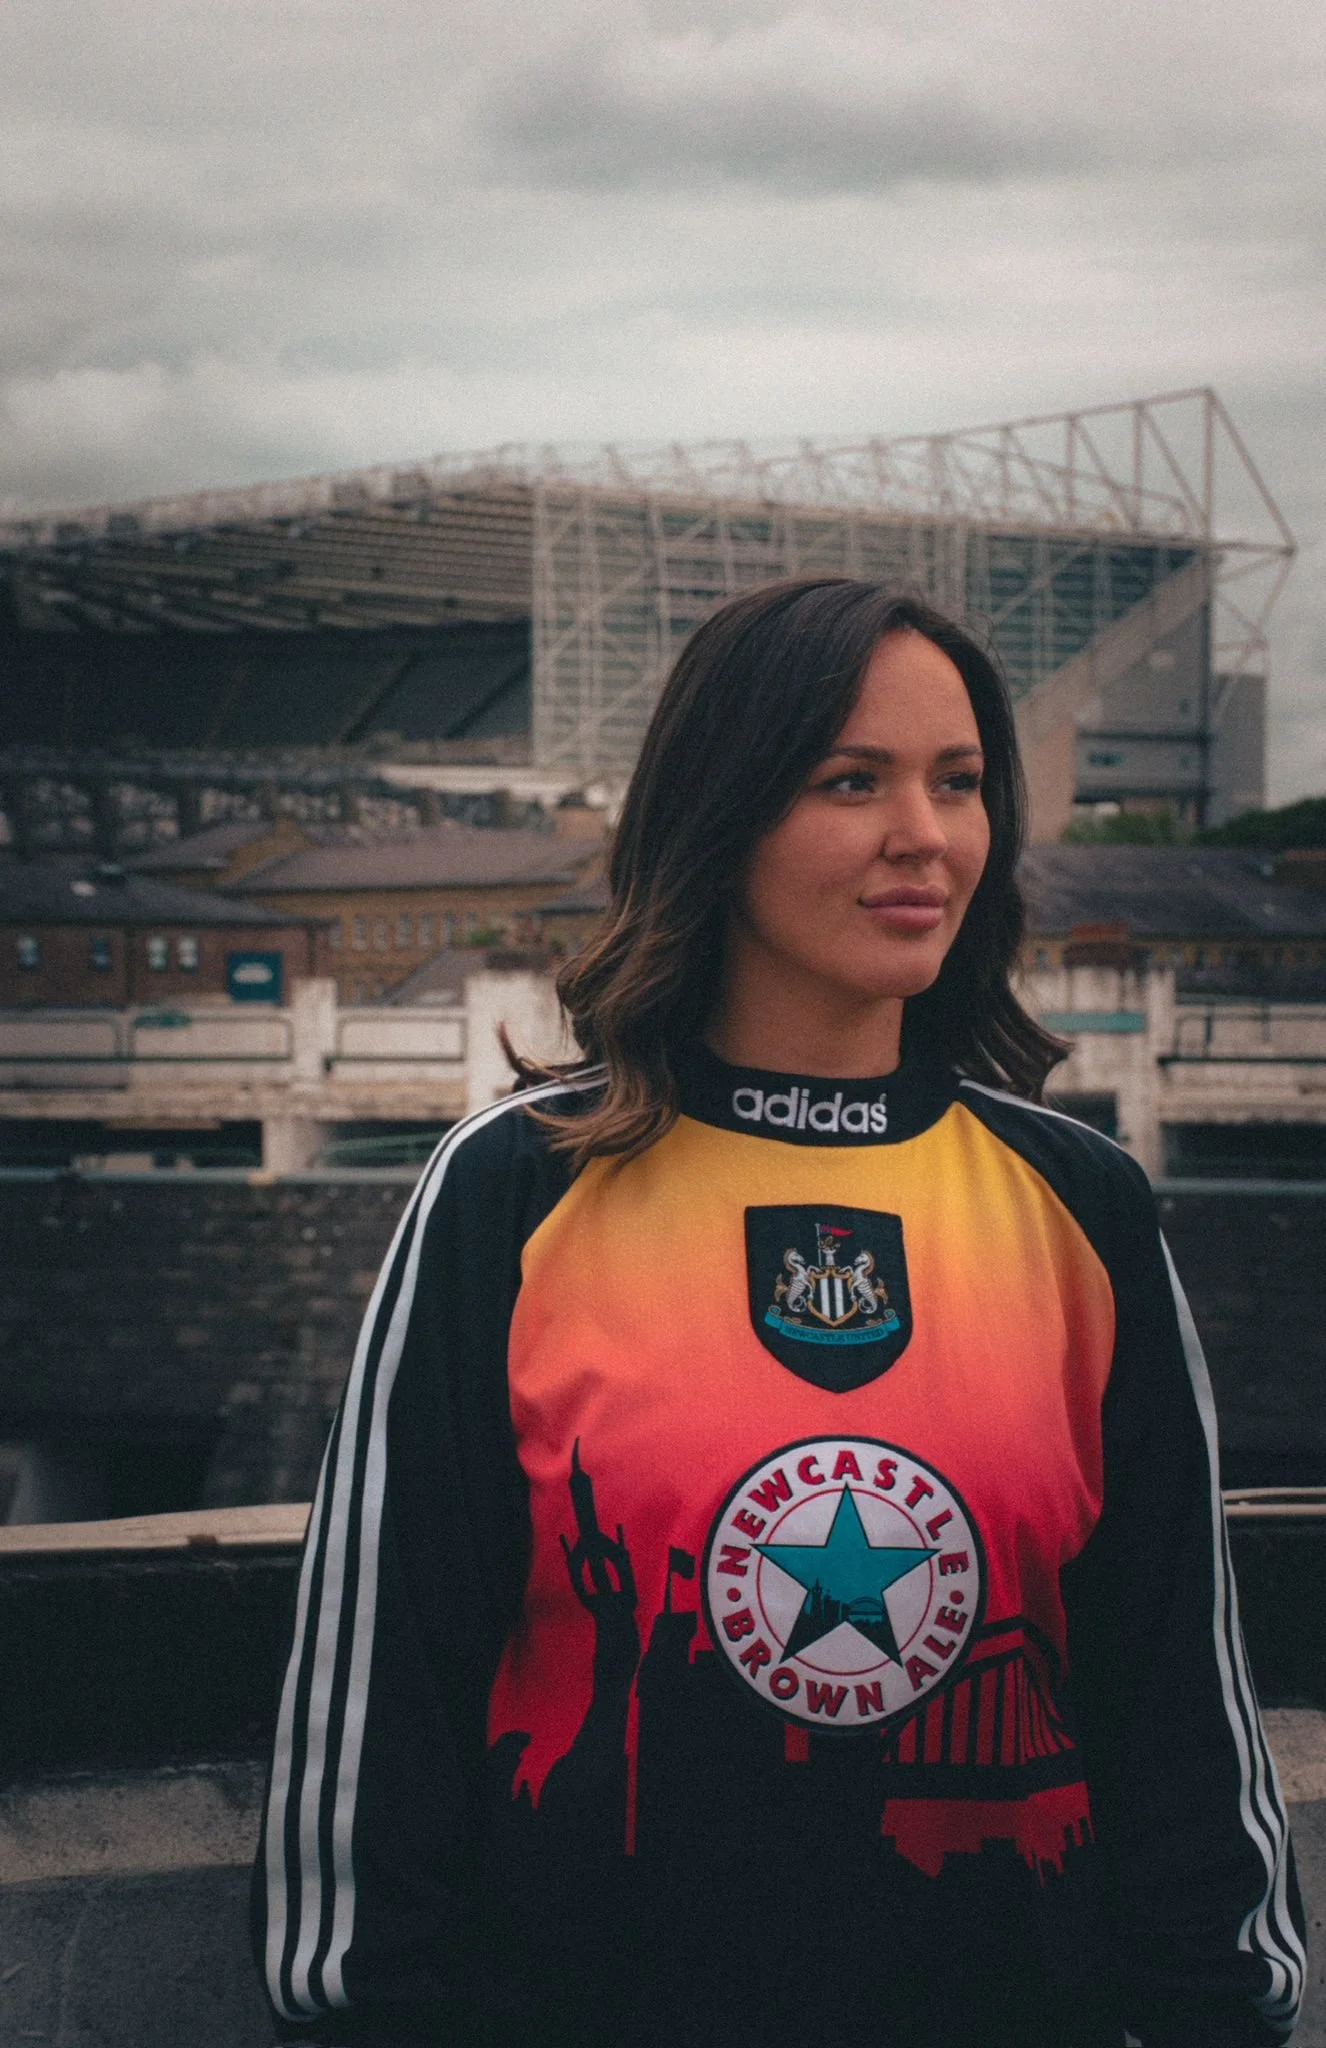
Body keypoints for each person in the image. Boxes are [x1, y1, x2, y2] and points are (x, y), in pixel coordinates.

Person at [254, 579, 1304, 2048]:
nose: (922, 836)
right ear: (721, 811)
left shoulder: (1082, 1203)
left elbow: (1170, 1694)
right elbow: (388, 1694)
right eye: (848, 780)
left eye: (958, 783)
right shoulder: (514, 1191)